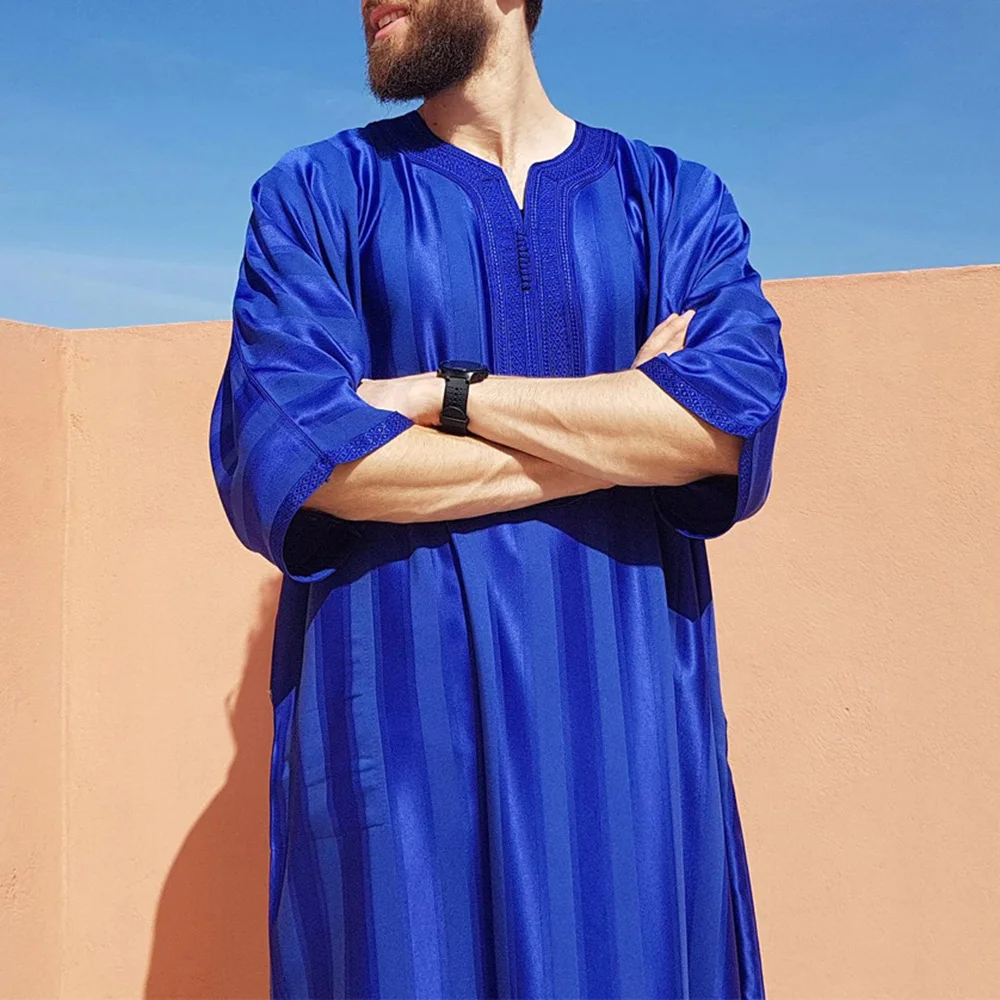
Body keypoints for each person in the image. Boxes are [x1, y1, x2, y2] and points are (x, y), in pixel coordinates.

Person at [208, 0, 787, 996]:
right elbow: (301, 458)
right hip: (400, 760)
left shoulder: (670, 202)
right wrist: (624, 429)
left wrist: (449, 395)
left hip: (626, 755)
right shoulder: (317, 196)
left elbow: (724, 427)